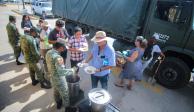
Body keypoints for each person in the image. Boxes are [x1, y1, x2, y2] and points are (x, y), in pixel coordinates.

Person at [46, 42, 74, 110]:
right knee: (65, 93)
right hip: (59, 79)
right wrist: (72, 70)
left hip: (52, 77)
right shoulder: (58, 58)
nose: (64, 50)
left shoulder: (48, 52)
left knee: (56, 91)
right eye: (64, 48)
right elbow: (61, 72)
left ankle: (58, 103)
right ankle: (67, 108)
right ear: (61, 48)